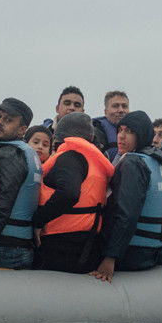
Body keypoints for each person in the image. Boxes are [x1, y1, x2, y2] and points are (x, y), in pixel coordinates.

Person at [93, 112, 162, 281]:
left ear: (141, 134)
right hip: (153, 254)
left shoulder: (132, 163)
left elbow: (126, 213)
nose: (121, 136)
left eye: (129, 131)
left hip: (129, 253)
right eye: (120, 130)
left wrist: (110, 257)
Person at [33, 112, 111, 273]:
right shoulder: (94, 160)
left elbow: (69, 193)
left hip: (62, 246)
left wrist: (38, 221)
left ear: (59, 136)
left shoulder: (69, 158)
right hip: (87, 244)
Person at [0, 98, 43, 269]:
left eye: (8, 120)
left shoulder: (10, 155)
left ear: (22, 129)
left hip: (1, 247)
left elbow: (1, 208)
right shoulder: (24, 152)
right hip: (17, 245)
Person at [95, 90, 129, 159]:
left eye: (124, 106)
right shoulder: (96, 132)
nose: (121, 110)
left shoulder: (137, 133)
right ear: (106, 112)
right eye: (115, 106)